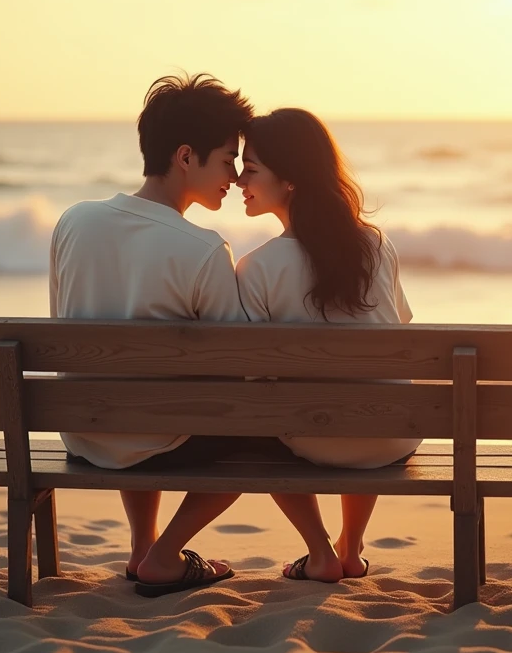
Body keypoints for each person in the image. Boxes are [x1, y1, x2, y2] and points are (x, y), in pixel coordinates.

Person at [50, 73, 254, 596]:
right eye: (228, 158)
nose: (233, 175)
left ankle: (143, 544)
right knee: (257, 428)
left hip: (83, 431)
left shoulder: (73, 222)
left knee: (138, 399)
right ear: (186, 156)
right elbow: (241, 369)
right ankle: (164, 553)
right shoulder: (203, 249)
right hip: (156, 436)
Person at [235, 108, 420, 582]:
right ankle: (351, 547)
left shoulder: (256, 268)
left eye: (251, 168)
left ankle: (319, 551)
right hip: (392, 435)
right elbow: (400, 331)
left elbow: (252, 377)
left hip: (312, 435)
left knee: (261, 419)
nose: (239, 179)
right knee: (369, 394)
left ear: (291, 179)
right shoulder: (375, 245)